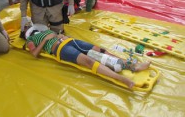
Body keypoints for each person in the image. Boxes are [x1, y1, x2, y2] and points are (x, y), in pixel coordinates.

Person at [23, 24, 151, 89]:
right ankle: (121, 79)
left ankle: (133, 66)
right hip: (60, 49)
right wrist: (45, 40)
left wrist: (58, 35)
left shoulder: (46, 29)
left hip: (70, 41)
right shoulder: (31, 39)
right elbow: (34, 54)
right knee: (89, 61)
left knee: (101, 50)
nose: (27, 24)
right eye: (26, 26)